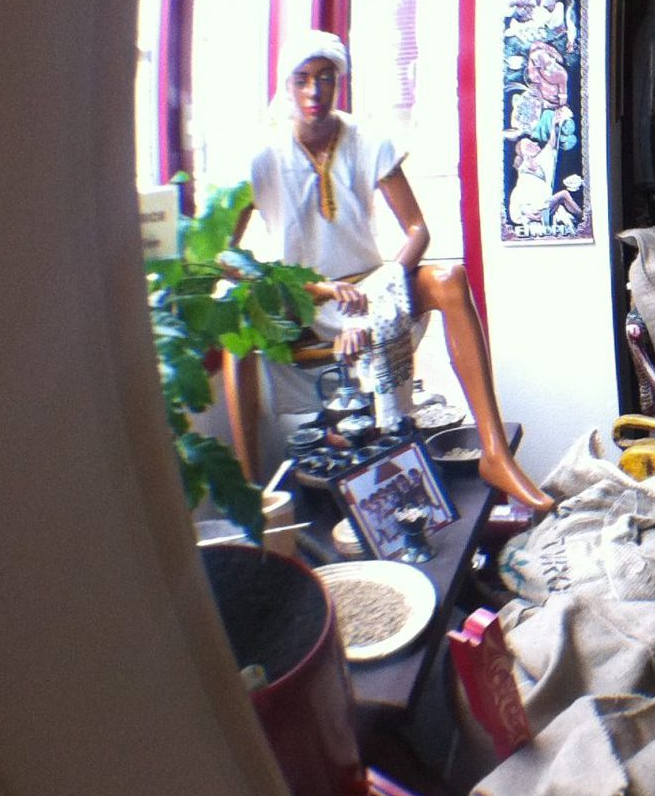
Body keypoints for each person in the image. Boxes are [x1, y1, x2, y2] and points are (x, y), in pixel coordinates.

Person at [225, 30, 556, 514]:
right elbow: (226, 256)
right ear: (286, 84)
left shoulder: (367, 141)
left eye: (326, 78)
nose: (314, 91)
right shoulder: (263, 155)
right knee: (233, 318)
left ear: (340, 82)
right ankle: (251, 494)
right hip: (301, 302)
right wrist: (313, 288)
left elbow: (418, 229)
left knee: (449, 279)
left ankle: (494, 453)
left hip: (370, 289)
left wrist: (385, 284)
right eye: (302, 79)